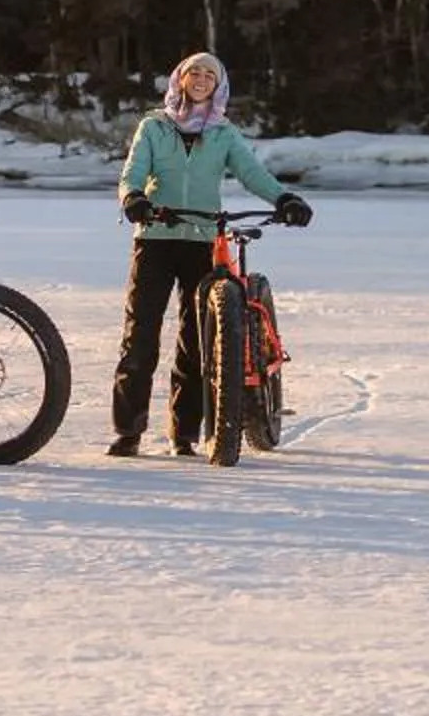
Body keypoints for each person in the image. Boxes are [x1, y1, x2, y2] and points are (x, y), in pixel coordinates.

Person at [109, 50, 310, 458]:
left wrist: (284, 198)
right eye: (194, 72)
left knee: (196, 341)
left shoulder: (223, 134)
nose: (201, 79)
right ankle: (128, 432)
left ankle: (183, 434)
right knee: (140, 336)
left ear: (218, 85)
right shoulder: (154, 125)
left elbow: (252, 174)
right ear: (180, 78)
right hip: (155, 238)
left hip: (203, 239)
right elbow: (132, 171)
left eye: (209, 75)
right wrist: (132, 197)